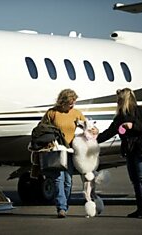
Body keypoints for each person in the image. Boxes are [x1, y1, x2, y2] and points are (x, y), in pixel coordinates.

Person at [97, 88, 142, 218]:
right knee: (135, 180)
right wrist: (93, 139)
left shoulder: (141, 111)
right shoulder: (120, 117)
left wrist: (133, 125)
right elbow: (110, 132)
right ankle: (141, 208)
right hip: (130, 150)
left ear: (124, 99)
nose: (117, 101)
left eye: (119, 99)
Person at [41, 89, 85, 218]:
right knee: (58, 179)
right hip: (57, 150)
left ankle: (64, 204)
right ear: (63, 102)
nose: (72, 105)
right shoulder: (52, 113)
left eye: (74, 103)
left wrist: (92, 130)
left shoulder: (76, 113)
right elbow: (41, 128)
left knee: (68, 181)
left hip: (70, 150)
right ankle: (61, 207)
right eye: (70, 103)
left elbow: (86, 126)